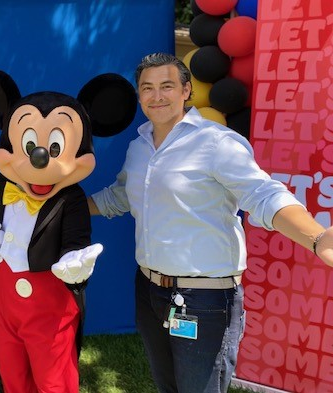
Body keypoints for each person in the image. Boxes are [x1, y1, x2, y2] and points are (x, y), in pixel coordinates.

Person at [87, 52, 333, 393]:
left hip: (204, 299)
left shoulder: (216, 143)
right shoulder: (139, 146)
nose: (157, 96)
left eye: (167, 86)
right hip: (149, 290)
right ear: (139, 95)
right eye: (148, 88)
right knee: (167, 386)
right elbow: (120, 196)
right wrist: (62, 207)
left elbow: (262, 194)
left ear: (186, 90)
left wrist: (317, 237)